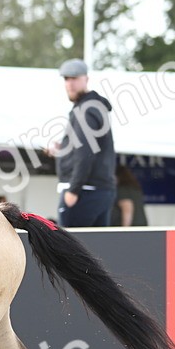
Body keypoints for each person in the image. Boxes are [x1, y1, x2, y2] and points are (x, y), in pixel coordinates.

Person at [48, 59, 116, 227]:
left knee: (70, 251)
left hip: (84, 192)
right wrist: (64, 148)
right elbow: (90, 148)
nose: (70, 84)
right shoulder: (94, 107)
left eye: (74, 78)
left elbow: (85, 153)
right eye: (66, 79)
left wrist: (73, 190)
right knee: (95, 249)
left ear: (86, 79)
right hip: (98, 191)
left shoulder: (85, 111)